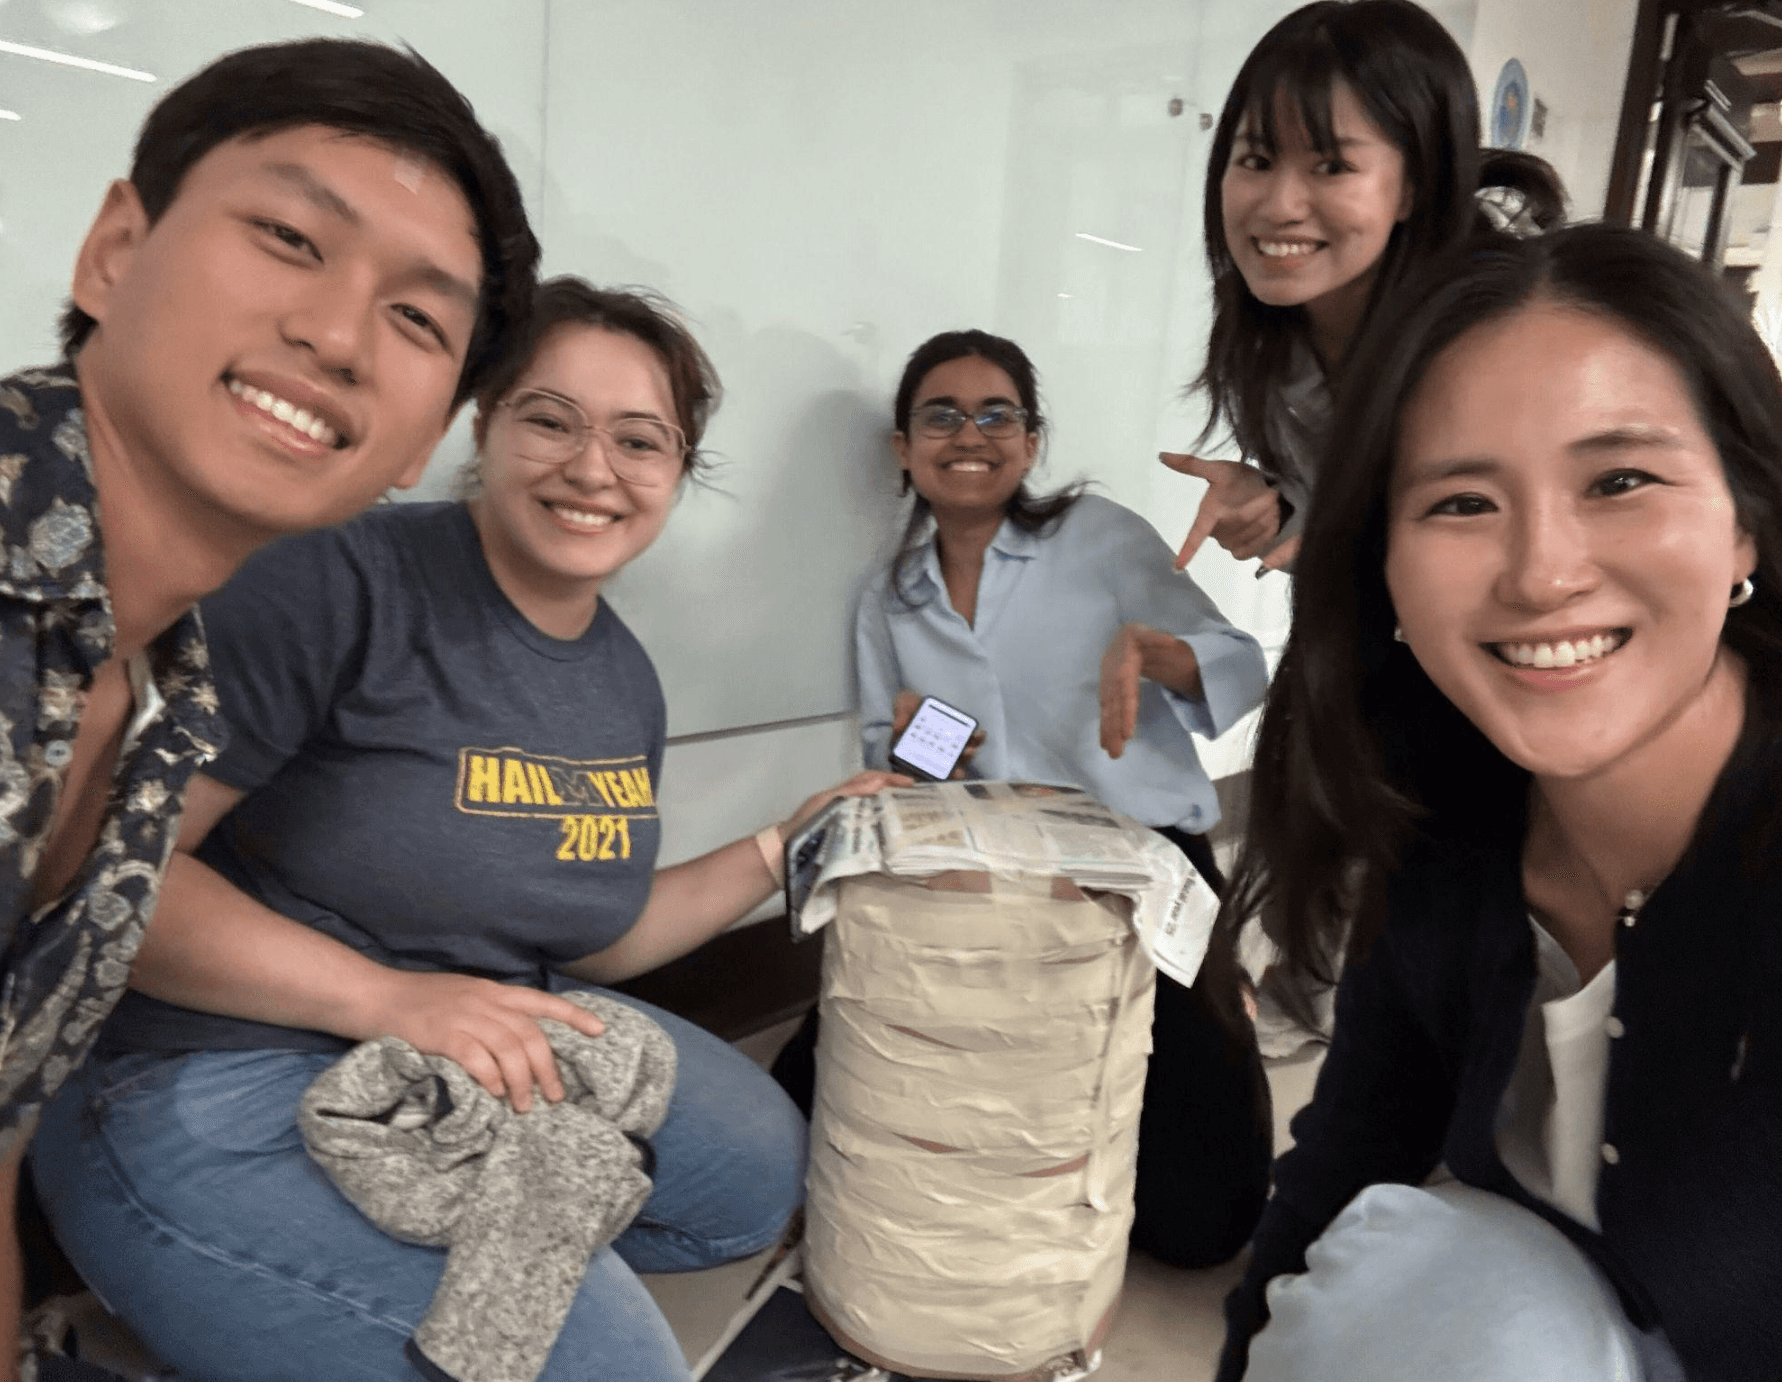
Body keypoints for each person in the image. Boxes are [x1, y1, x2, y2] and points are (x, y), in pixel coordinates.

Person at [29, 277, 903, 1382]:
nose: (593, 468)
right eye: (552, 419)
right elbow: (105, 874)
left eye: (640, 440)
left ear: (678, 472)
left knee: (752, 1183)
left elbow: (600, 938)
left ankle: (362, 1278)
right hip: (210, 1066)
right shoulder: (338, 579)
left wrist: (782, 842)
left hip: (472, 1052)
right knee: (615, 1369)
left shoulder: (624, 679)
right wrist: (387, 998)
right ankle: (233, 1270)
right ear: (483, 426)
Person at [0, 37, 539, 1381]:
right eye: (292, 239)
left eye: (417, 320)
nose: (337, 335)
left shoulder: (170, 696)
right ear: (116, 251)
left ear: (426, 437)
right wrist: (386, 993)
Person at [1210, 222, 1782, 1381]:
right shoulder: (1443, 815)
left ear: (1745, 524)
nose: (1541, 573)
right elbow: (1354, 1147)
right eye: (1463, 501)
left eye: (1619, 481)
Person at [772, 328, 1276, 1271]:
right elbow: (894, 772)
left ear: (1031, 441)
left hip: (1145, 871)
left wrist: (1159, 654)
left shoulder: (1102, 538)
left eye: (997, 414)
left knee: (1202, 1224)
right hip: (984, 874)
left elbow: (1239, 667)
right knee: (799, 1111)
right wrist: (928, 742)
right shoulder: (890, 598)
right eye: (942, 416)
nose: (971, 434)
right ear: (904, 448)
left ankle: (1219, 1003)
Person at [1167, 0, 1564, 573]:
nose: (1278, 206)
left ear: (1413, 187)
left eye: (1332, 167)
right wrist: (1277, 507)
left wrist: (1354, 554)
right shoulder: (1273, 331)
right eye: (1256, 159)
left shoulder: (1500, 344)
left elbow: (1521, 556)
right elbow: (1340, 520)